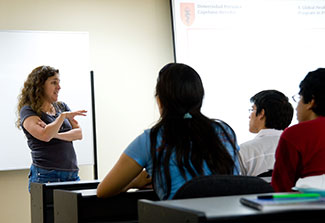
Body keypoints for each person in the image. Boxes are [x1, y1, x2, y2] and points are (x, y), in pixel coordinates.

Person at [97, 63, 240, 200]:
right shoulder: (224, 131)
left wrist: (134, 182)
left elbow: (104, 191)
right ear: (199, 97)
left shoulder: (150, 139)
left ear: (160, 101)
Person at [16, 65, 87, 191]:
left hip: (72, 174)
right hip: (46, 175)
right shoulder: (28, 110)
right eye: (54, 83)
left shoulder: (61, 106)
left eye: (58, 83)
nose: (59, 87)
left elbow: (78, 134)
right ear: (40, 86)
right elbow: (45, 136)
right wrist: (62, 117)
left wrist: (55, 134)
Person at [272, 68, 325, 192]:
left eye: (299, 98)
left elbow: (281, 189)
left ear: (311, 101)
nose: (296, 107)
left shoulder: (295, 134)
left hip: (309, 208)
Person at [239, 90, 293, 176]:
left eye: (252, 110)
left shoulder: (244, 150)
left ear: (261, 113)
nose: (249, 116)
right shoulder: (296, 147)